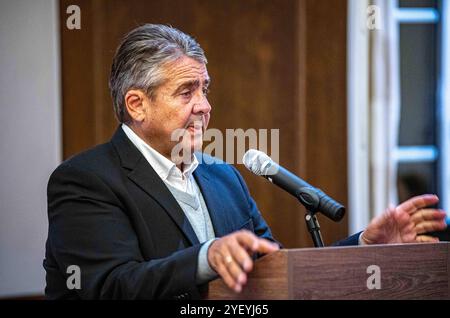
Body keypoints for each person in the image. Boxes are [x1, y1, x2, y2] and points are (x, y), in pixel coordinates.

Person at [44, 24, 447, 300]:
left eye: (204, 89)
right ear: (137, 104)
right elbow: (106, 286)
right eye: (186, 92)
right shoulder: (85, 180)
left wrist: (364, 248)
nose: (205, 106)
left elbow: (274, 268)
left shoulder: (224, 177)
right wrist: (207, 257)